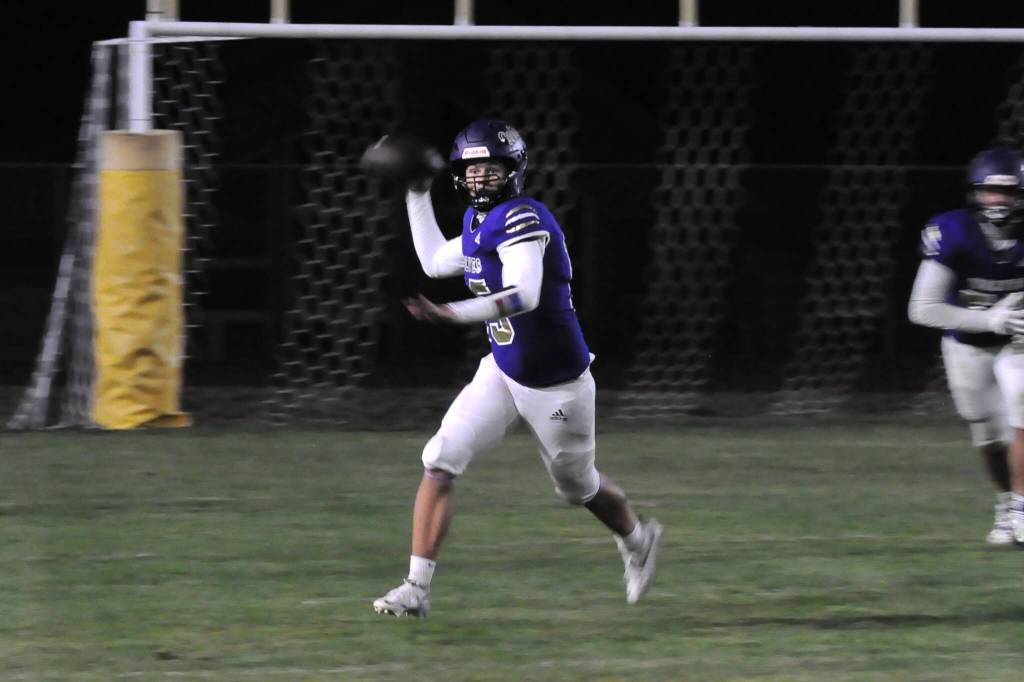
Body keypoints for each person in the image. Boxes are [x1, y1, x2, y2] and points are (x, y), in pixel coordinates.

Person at [372, 119, 662, 617]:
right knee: (441, 458)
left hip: (557, 386)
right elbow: (434, 262)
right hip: (503, 370)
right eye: (473, 169)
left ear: (512, 171)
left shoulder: (523, 218)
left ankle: (638, 539)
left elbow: (525, 295)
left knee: (578, 487)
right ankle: (417, 589)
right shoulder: (478, 222)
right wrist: (416, 193)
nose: (480, 178)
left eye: (491, 169)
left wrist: (453, 313)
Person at [908, 146, 1024, 547]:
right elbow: (922, 309)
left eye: (1007, 192)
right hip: (968, 341)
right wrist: (988, 319)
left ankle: (1023, 509)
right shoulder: (955, 230)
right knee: (991, 438)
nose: (998, 200)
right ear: (975, 192)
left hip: (1020, 341)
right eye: (990, 191)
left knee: (1023, 418)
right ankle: (1007, 503)